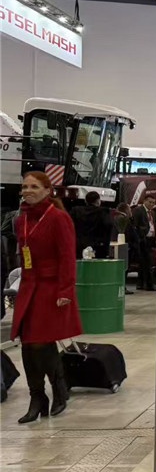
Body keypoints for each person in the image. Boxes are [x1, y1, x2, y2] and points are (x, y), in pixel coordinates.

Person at [10, 171, 82, 423]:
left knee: (41, 341)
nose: (27, 191)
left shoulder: (58, 218)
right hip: (29, 287)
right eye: (24, 187)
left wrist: (65, 290)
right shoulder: (22, 219)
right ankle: (37, 397)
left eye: (33, 186)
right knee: (28, 343)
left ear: (47, 190)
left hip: (51, 288)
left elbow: (67, 257)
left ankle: (59, 388)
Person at [71, 191, 112, 259]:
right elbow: (108, 227)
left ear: (86, 201)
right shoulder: (103, 212)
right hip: (98, 248)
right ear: (98, 201)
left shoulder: (76, 211)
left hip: (79, 247)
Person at [113, 202, 140, 295]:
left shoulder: (115, 217)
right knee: (124, 268)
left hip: (121, 246)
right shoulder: (123, 219)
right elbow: (128, 233)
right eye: (129, 209)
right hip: (125, 247)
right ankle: (122, 287)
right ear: (126, 210)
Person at [131, 195, 156, 291]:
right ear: (145, 201)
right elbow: (134, 225)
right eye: (150, 202)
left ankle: (141, 283)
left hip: (150, 240)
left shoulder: (152, 213)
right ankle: (149, 284)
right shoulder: (138, 210)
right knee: (146, 262)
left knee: (145, 263)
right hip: (142, 240)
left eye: (153, 203)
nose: (152, 204)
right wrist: (139, 237)